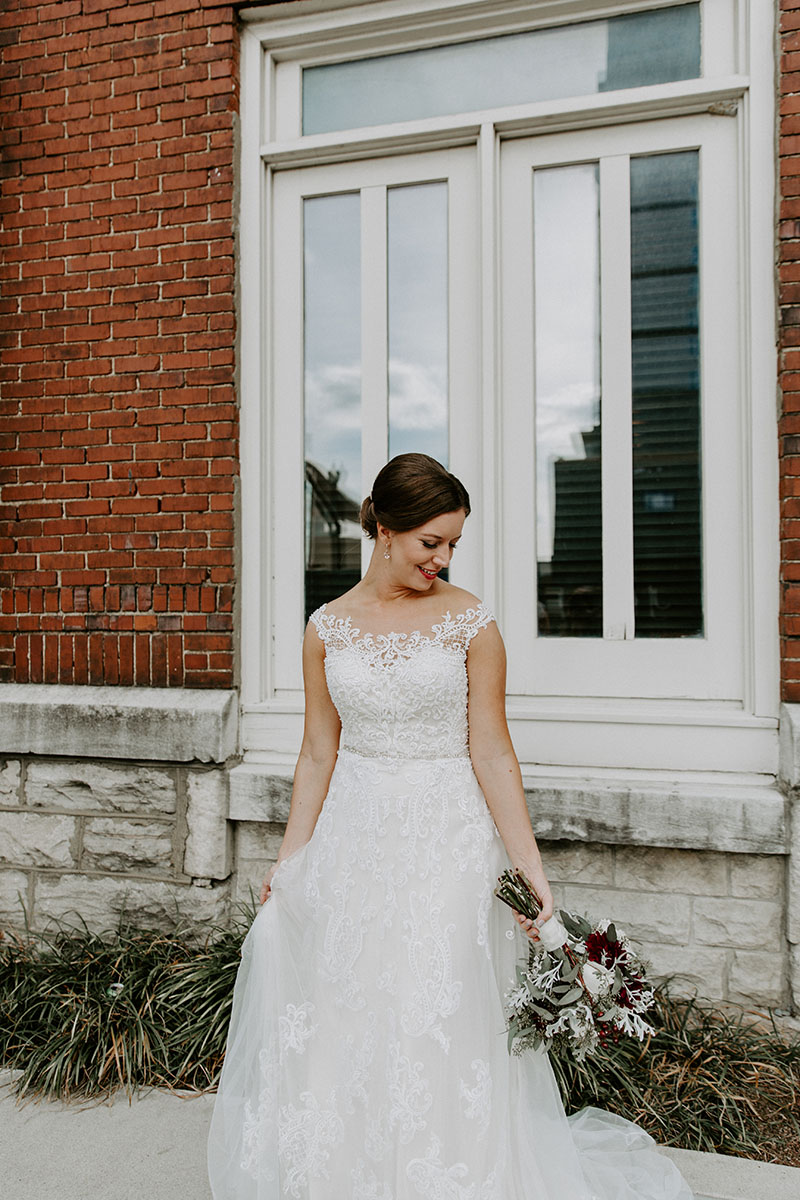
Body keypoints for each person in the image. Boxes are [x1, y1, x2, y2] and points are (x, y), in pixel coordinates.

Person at [207, 453, 694, 1199]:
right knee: (354, 1001)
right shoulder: (326, 628)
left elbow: (492, 749)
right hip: (356, 836)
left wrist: (529, 866)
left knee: (441, 1006)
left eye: (453, 545)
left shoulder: (473, 622)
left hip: (449, 839)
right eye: (431, 541)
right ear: (385, 526)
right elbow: (316, 751)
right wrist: (290, 860)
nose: (443, 558)